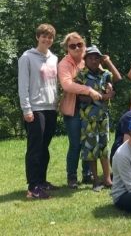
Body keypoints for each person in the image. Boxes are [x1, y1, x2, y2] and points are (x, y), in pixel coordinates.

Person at [18, 24, 58, 199]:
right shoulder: (27, 57)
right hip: (35, 108)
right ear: (37, 37)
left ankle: (41, 181)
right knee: (35, 148)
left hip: (51, 108)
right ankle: (33, 187)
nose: (46, 39)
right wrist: (26, 109)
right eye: (43, 36)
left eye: (50, 37)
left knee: (44, 147)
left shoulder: (54, 58)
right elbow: (23, 85)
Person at [58, 32, 102, 188]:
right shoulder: (64, 64)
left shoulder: (89, 58)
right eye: (72, 46)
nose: (77, 48)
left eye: (80, 44)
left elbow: (101, 74)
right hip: (73, 110)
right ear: (67, 48)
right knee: (76, 143)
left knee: (89, 142)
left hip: (91, 109)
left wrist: (108, 85)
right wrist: (88, 90)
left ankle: (87, 174)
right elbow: (67, 85)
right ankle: (72, 177)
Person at [76, 46, 120, 191]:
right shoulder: (81, 75)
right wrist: (102, 96)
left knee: (104, 147)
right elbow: (81, 97)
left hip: (103, 117)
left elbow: (116, 82)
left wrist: (108, 62)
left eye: (96, 58)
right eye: (90, 58)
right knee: (90, 149)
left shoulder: (105, 74)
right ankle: (96, 180)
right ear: (85, 60)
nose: (94, 61)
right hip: (88, 118)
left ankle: (107, 179)